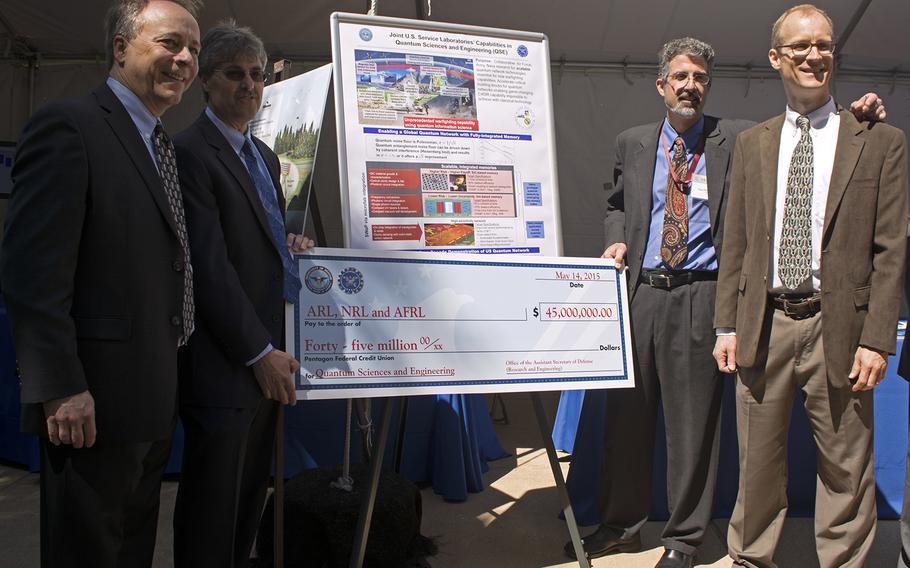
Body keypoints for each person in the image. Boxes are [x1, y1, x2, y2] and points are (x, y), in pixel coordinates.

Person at [568, 37, 885, 568]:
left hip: (704, 294)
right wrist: (617, 234)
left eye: (700, 78)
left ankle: (683, 539)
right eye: (681, 77)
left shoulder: (736, 138)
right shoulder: (633, 142)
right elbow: (617, 201)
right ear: (661, 85)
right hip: (643, 292)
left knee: (694, 428)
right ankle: (620, 524)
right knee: (626, 418)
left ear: (708, 85)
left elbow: (804, 125)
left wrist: (857, 112)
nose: (690, 86)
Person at [0, 1, 200, 566]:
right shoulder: (70, 126)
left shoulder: (156, 140)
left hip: (151, 396)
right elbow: (32, 273)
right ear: (120, 48)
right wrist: (60, 386)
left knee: (129, 548)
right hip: (88, 406)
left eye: (193, 49)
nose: (184, 60)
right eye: (169, 43)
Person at [713, 4, 908, 567]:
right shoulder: (753, 144)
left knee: (846, 468)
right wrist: (726, 323)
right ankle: (750, 559)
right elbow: (738, 244)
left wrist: (877, 338)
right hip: (763, 325)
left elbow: (890, 248)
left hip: (839, 327)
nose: (814, 55)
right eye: (799, 47)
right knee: (757, 469)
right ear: (776, 58)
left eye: (823, 44)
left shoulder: (879, 140)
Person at [172, 21, 313, 568]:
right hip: (225, 361)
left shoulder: (264, 155)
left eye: (256, 76)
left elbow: (255, 237)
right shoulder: (189, 153)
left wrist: (289, 240)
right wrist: (258, 352)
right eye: (234, 74)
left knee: (250, 496)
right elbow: (208, 267)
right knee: (212, 506)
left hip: (269, 355)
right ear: (206, 81)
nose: (249, 85)